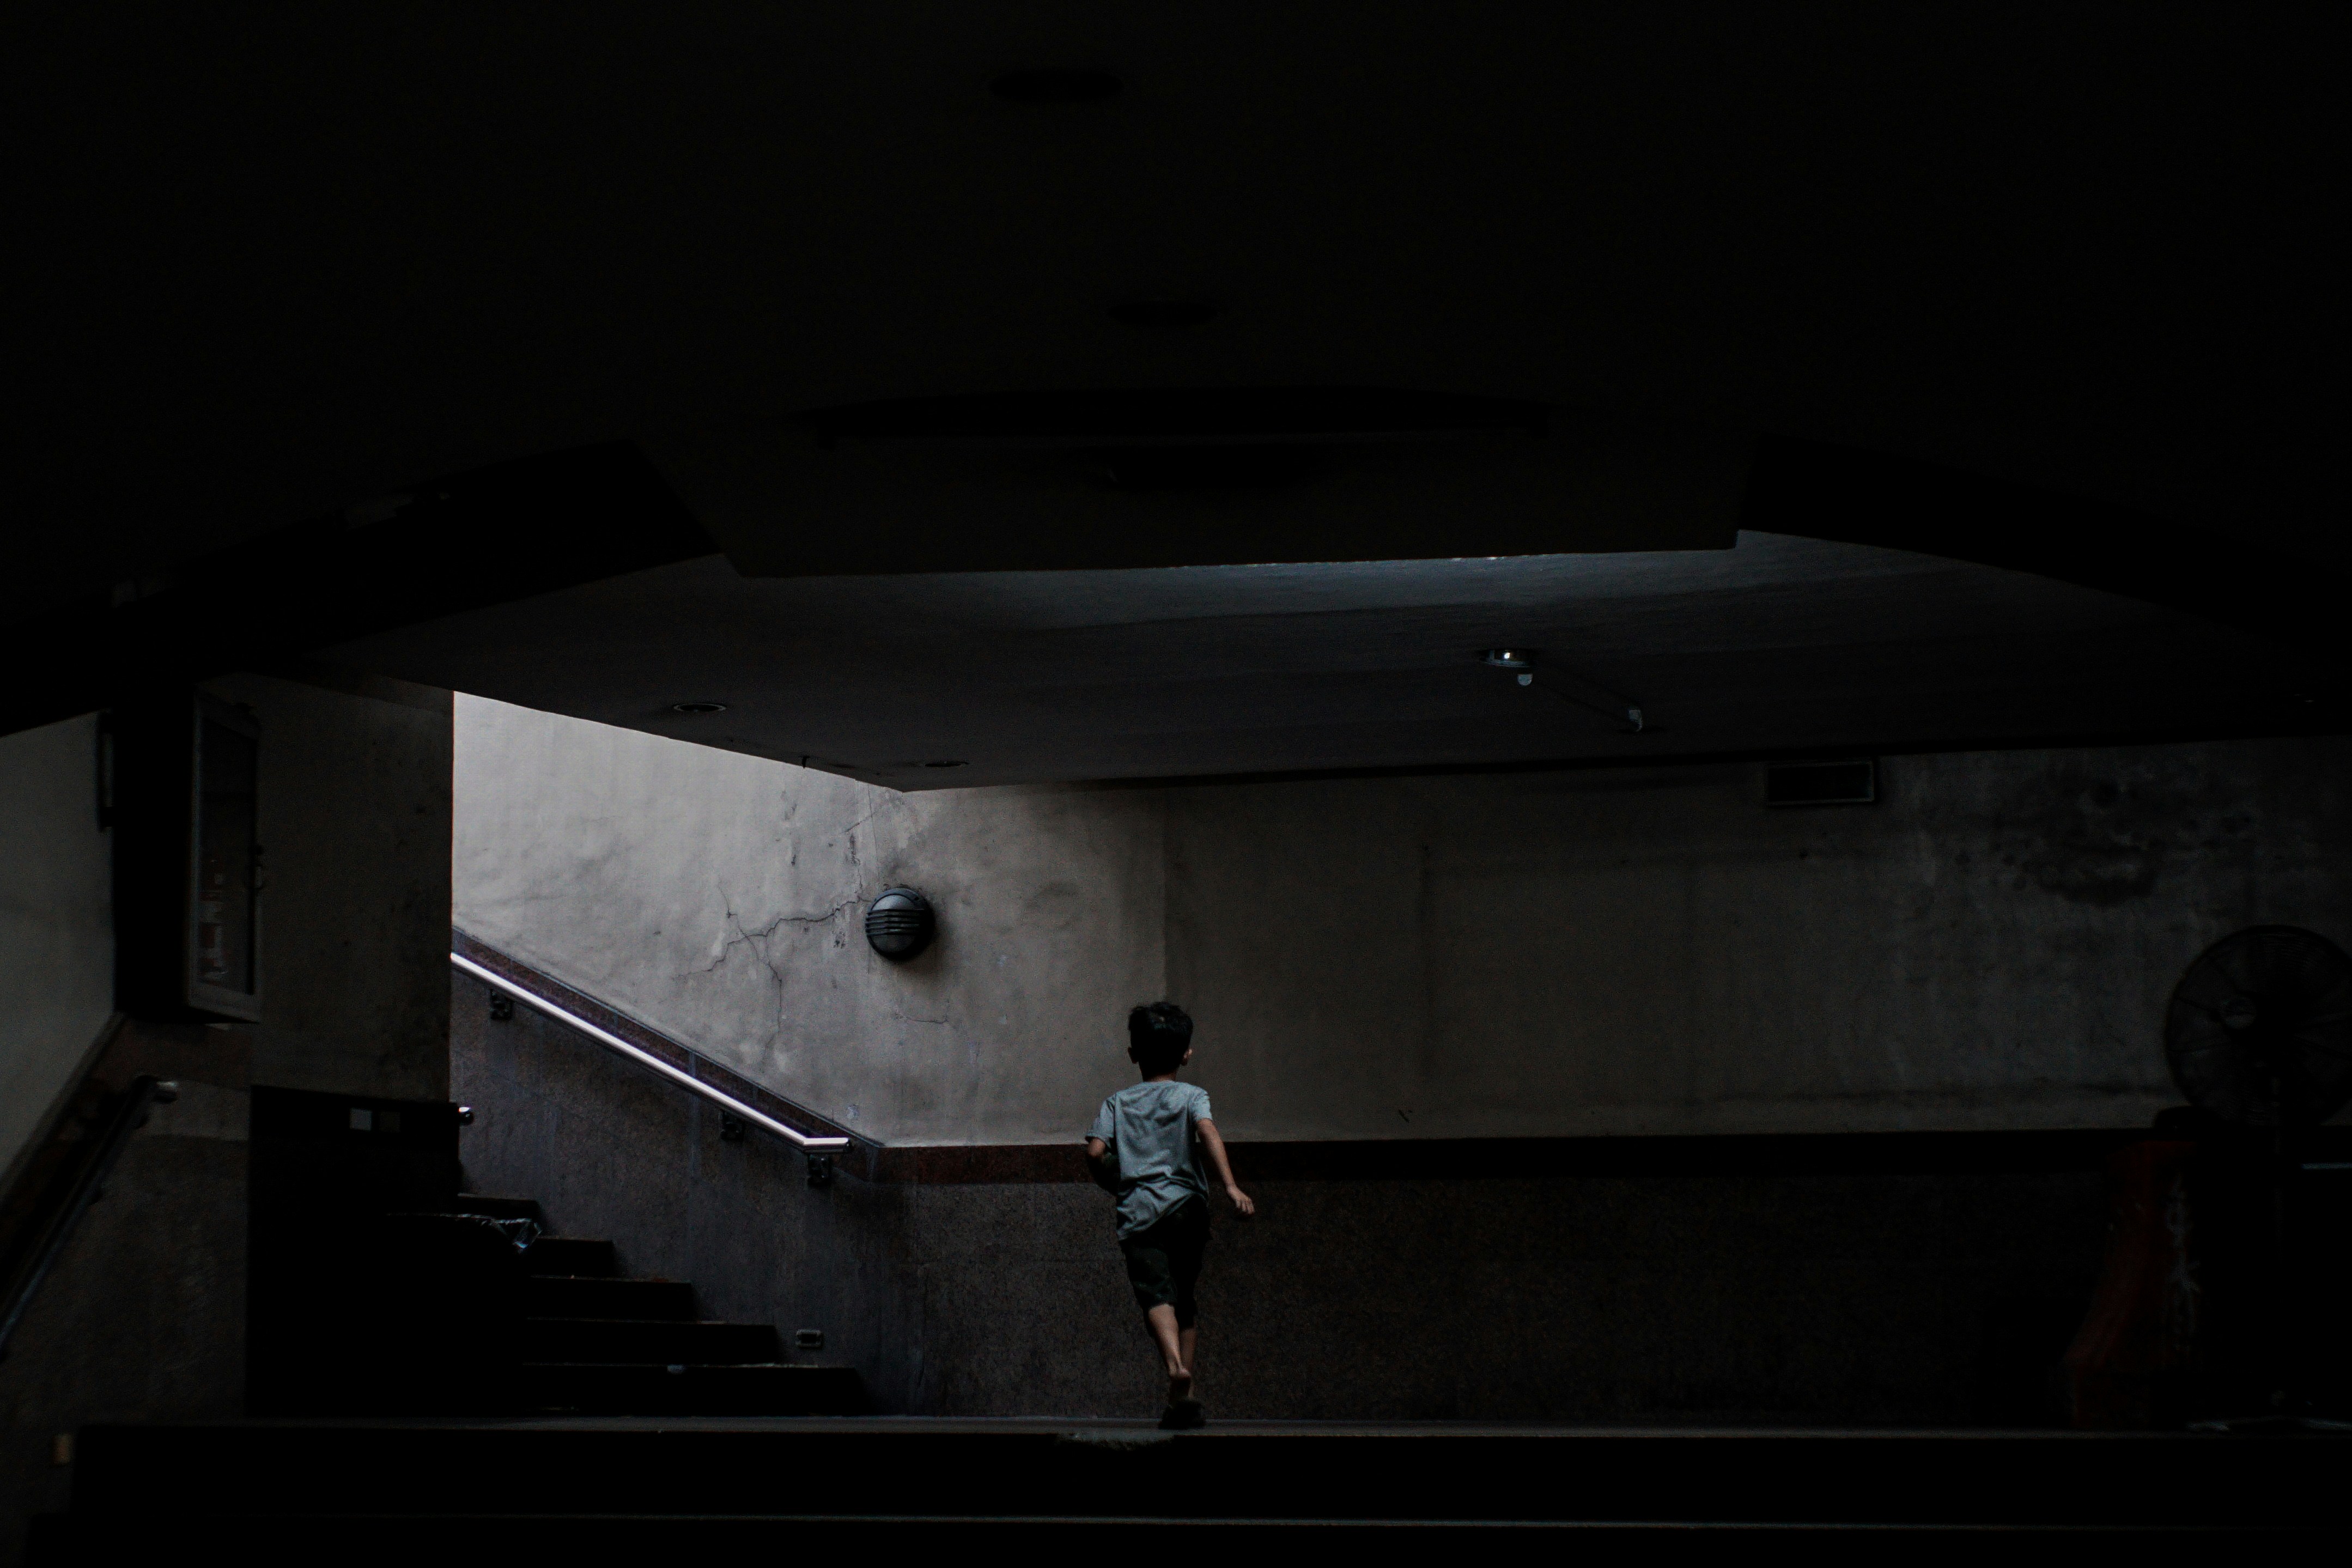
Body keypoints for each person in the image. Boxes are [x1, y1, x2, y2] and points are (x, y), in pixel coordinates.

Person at [1085, 1001, 1255, 1429]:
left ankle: (1175, 1368)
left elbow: (1094, 1153)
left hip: (1140, 1213)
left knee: (1156, 1295)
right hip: (1187, 1209)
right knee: (1185, 1298)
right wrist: (1231, 1187)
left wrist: (1117, 1182)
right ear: (1186, 1055)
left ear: (1132, 1055)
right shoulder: (1192, 1095)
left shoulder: (1116, 1103)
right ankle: (1185, 1396)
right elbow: (1207, 1132)